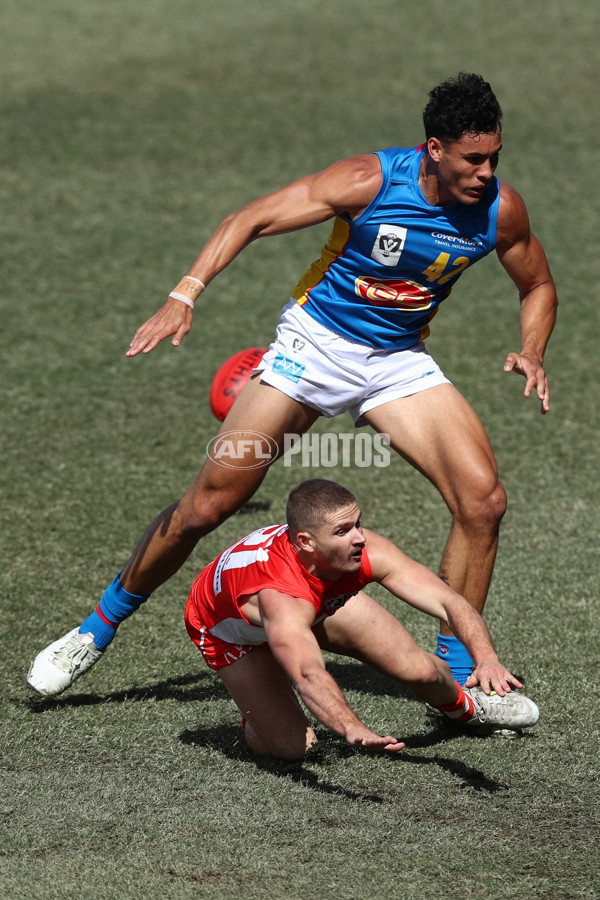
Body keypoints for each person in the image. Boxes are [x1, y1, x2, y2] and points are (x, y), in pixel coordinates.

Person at [28, 73, 557, 699]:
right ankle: (97, 627)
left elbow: (538, 285)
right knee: (209, 505)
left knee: (483, 501)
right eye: (473, 159)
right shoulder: (370, 181)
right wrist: (184, 295)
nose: (486, 172)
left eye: (495, 156)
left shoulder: (500, 209)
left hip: (396, 359)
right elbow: (250, 218)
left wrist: (531, 350)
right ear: (434, 148)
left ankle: (461, 676)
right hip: (315, 344)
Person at [183, 480, 539, 758]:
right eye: (343, 532)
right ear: (305, 542)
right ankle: (258, 707)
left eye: (358, 524)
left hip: (316, 598)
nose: (360, 538)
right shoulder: (281, 596)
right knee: (294, 748)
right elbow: (309, 673)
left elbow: (448, 602)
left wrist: (487, 658)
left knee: (422, 670)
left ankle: (465, 709)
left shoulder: (359, 550)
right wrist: (352, 727)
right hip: (228, 631)